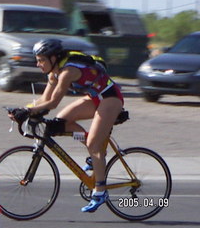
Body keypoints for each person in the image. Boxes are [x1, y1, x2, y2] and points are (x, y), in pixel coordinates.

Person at [10, 38, 124, 213]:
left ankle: (100, 191)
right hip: (94, 98)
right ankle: (96, 152)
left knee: (94, 144)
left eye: (41, 60)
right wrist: (23, 109)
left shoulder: (67, 72)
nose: (38, 64)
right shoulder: (53, 74)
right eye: (37, 60)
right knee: (61, 122)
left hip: (110, 98)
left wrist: (27, 111)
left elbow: (53, 103)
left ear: (54, 58)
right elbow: (43, 100)